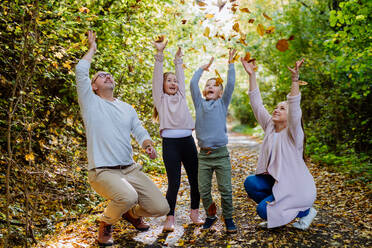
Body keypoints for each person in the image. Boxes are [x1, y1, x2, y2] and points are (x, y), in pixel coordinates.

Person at [75, 31, 169, 246]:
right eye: (100, 75)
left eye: (109, 74)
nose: (107, 76)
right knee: (127, 196)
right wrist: (92, 49)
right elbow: (81, 71)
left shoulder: (127, 108)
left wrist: (147, 145)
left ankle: (132, 215)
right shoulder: (90, 103)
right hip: (102, 171)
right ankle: (106, 223)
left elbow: (139, 131)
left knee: (161, 208)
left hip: (129, 169)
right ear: (93, 87)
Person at [241, 57, 317, 229]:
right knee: (251, 183)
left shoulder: (294, 134)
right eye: (276, 107)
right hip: (278, 183)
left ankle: (305, 211)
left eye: (282, 108)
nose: (276, 109)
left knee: (263, 210)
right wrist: (251, 75)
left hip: (298, 190)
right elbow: (256, 104)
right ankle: (280, 212)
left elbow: (295, 107)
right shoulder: (269, 125)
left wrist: (294, 81)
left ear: (290, 117)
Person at [152, 40, 203, 232]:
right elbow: (156, 78)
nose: (173, 83)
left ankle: (195, 212)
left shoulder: (181, 96)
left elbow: (181, 79)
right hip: (170, 144)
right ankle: (170, 217)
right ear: (163, 85)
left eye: (174, 80)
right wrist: (159, 55)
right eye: (169, 80)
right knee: (174, 181)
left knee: (195, 178)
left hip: (188, 142)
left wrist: (178, 61)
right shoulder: (160, 99)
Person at [190, 49, 238, 233]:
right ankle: (211, 215)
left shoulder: (222, 103)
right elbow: (193, 84)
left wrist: (231, 64)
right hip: (204, 156)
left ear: (220, 92)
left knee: (225, 189)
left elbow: (231, 83)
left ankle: (228, 218)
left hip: (221, 154)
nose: (211, 86)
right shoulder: (199, 103)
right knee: (204, 190)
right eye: (208, 85)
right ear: (204, 90)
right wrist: (202, 69)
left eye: (215, 85)